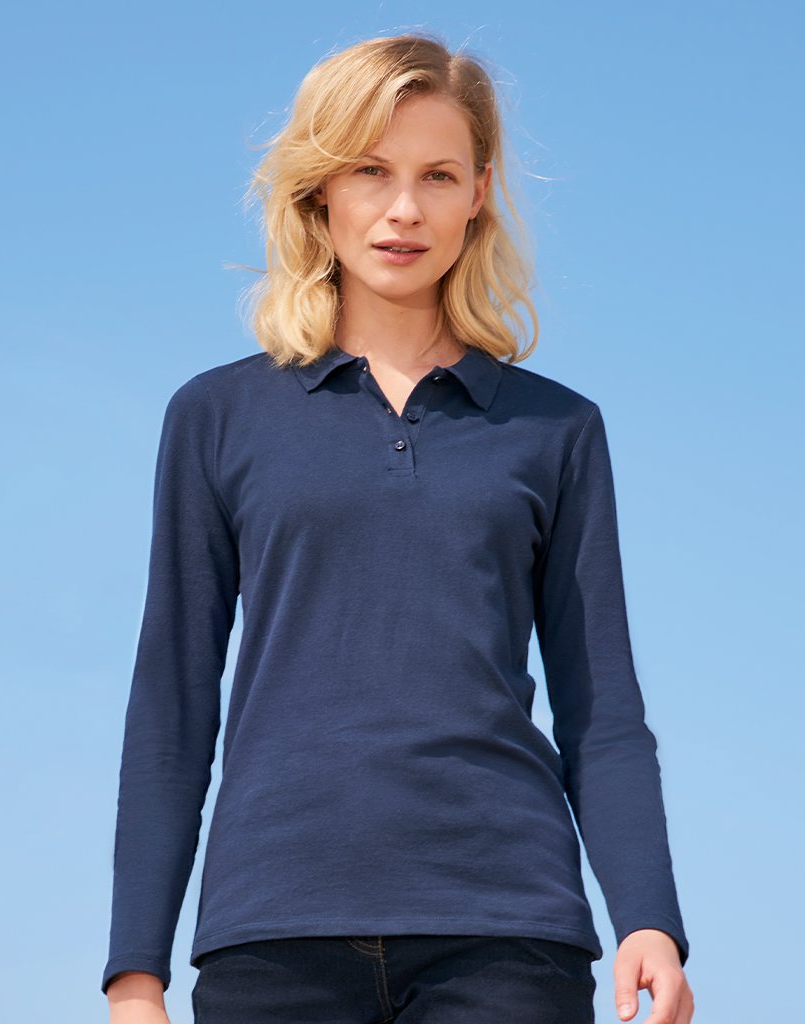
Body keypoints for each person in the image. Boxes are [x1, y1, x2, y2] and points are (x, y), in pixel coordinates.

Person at [103, 34, 694, 1024]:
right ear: (319, 189)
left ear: (480, 193)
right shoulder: (215, 417)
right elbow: (172, 701)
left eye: (438, 175)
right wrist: (135, 974)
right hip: (272, 934)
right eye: (371, 171)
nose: (404, 208)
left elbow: (602, 709)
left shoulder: (556, 429)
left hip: (507, 936)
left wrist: (649, 918)